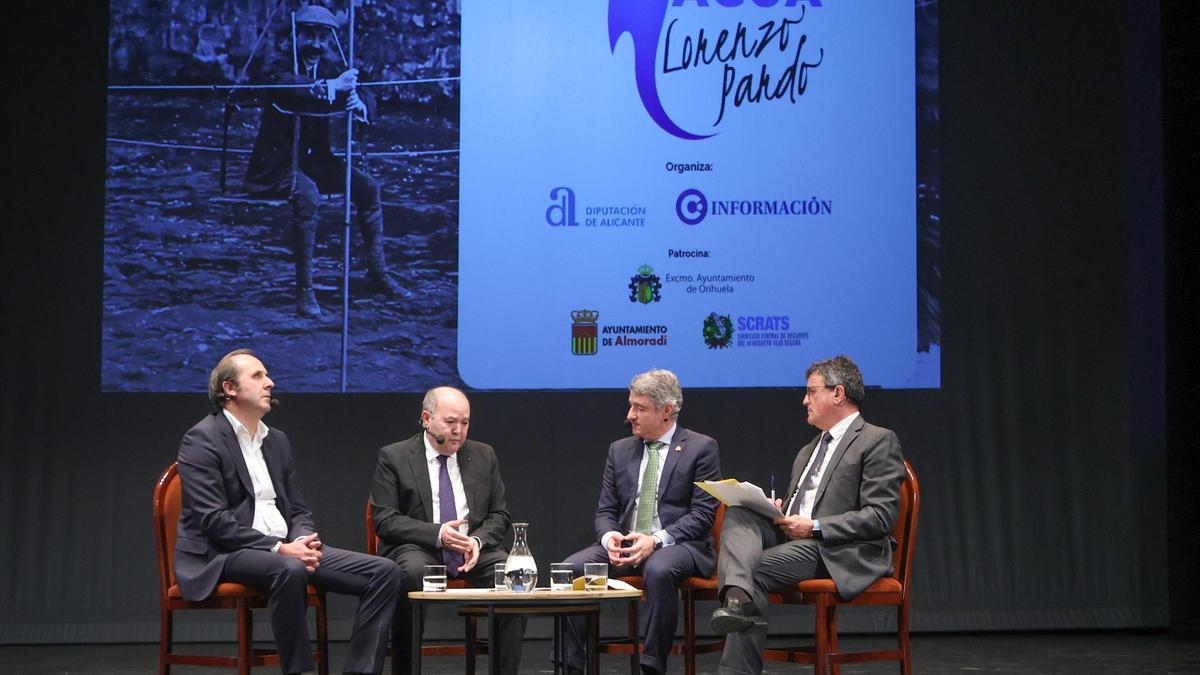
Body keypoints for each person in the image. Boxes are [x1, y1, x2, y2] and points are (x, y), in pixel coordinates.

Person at [174, 349, 400, 675]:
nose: (271, 383)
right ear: (230, 388)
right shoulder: (202, 439)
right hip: (223, 552)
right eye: (258, 376)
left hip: (285, 546)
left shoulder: (277, 441)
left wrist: (302, 539)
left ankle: (361, 671)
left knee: (385, 572)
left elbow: (297, 508)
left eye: (267, 376)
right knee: (288, 569)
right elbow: (212, 520)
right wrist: (281, 549)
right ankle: (299, 671)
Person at [710, 355, 905, 674]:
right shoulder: (809, 450)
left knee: (750, 568)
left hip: (837, 549)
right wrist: (780, 510)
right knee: (739, 511)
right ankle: (736, 602)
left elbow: (880, 517)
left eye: (811, 392)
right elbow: (805, 507)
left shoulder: (877, 440)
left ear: (838, 393)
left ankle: (735, 662)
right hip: (797, 539)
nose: (804, 400)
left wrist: (814, 526)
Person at [243, 4, 405, 318]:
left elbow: (364, 92)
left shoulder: (331, 65)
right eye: (309, 36)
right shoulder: (276, 65)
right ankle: (305, 293)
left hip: (315, 161)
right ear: (296, 36)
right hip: (277, 166)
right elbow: (287, 87)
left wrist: (360, 104)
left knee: (368, 188)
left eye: (322, 37)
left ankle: (378, 273)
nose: (316, 44)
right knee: (308, 196)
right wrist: (333, 88)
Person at [559, 369, 721, 675]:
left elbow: (702, 516)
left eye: (640, 408)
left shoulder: (701, 448)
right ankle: (571, 665)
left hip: (679, 545)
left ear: (666, 411)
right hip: (627, 544)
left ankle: (651, 665)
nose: (629, 415)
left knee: (659, 570)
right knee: (569, 569)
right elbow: (605, 510)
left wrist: (656, 540)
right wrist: (609, 538)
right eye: (631, 405)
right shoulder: (619, 450)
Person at [368, 387, 525, 674]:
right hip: (419, 548)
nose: (458, 431)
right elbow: (385, 520)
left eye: (465, 423)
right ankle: (406, 669)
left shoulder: (483, 455)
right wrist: (438, 534)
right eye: (451, 422)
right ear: (427, 419)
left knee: (515, 575)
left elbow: (500, 514)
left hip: (472, 551)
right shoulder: (395, 456)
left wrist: (477, 540)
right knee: (411, 573)